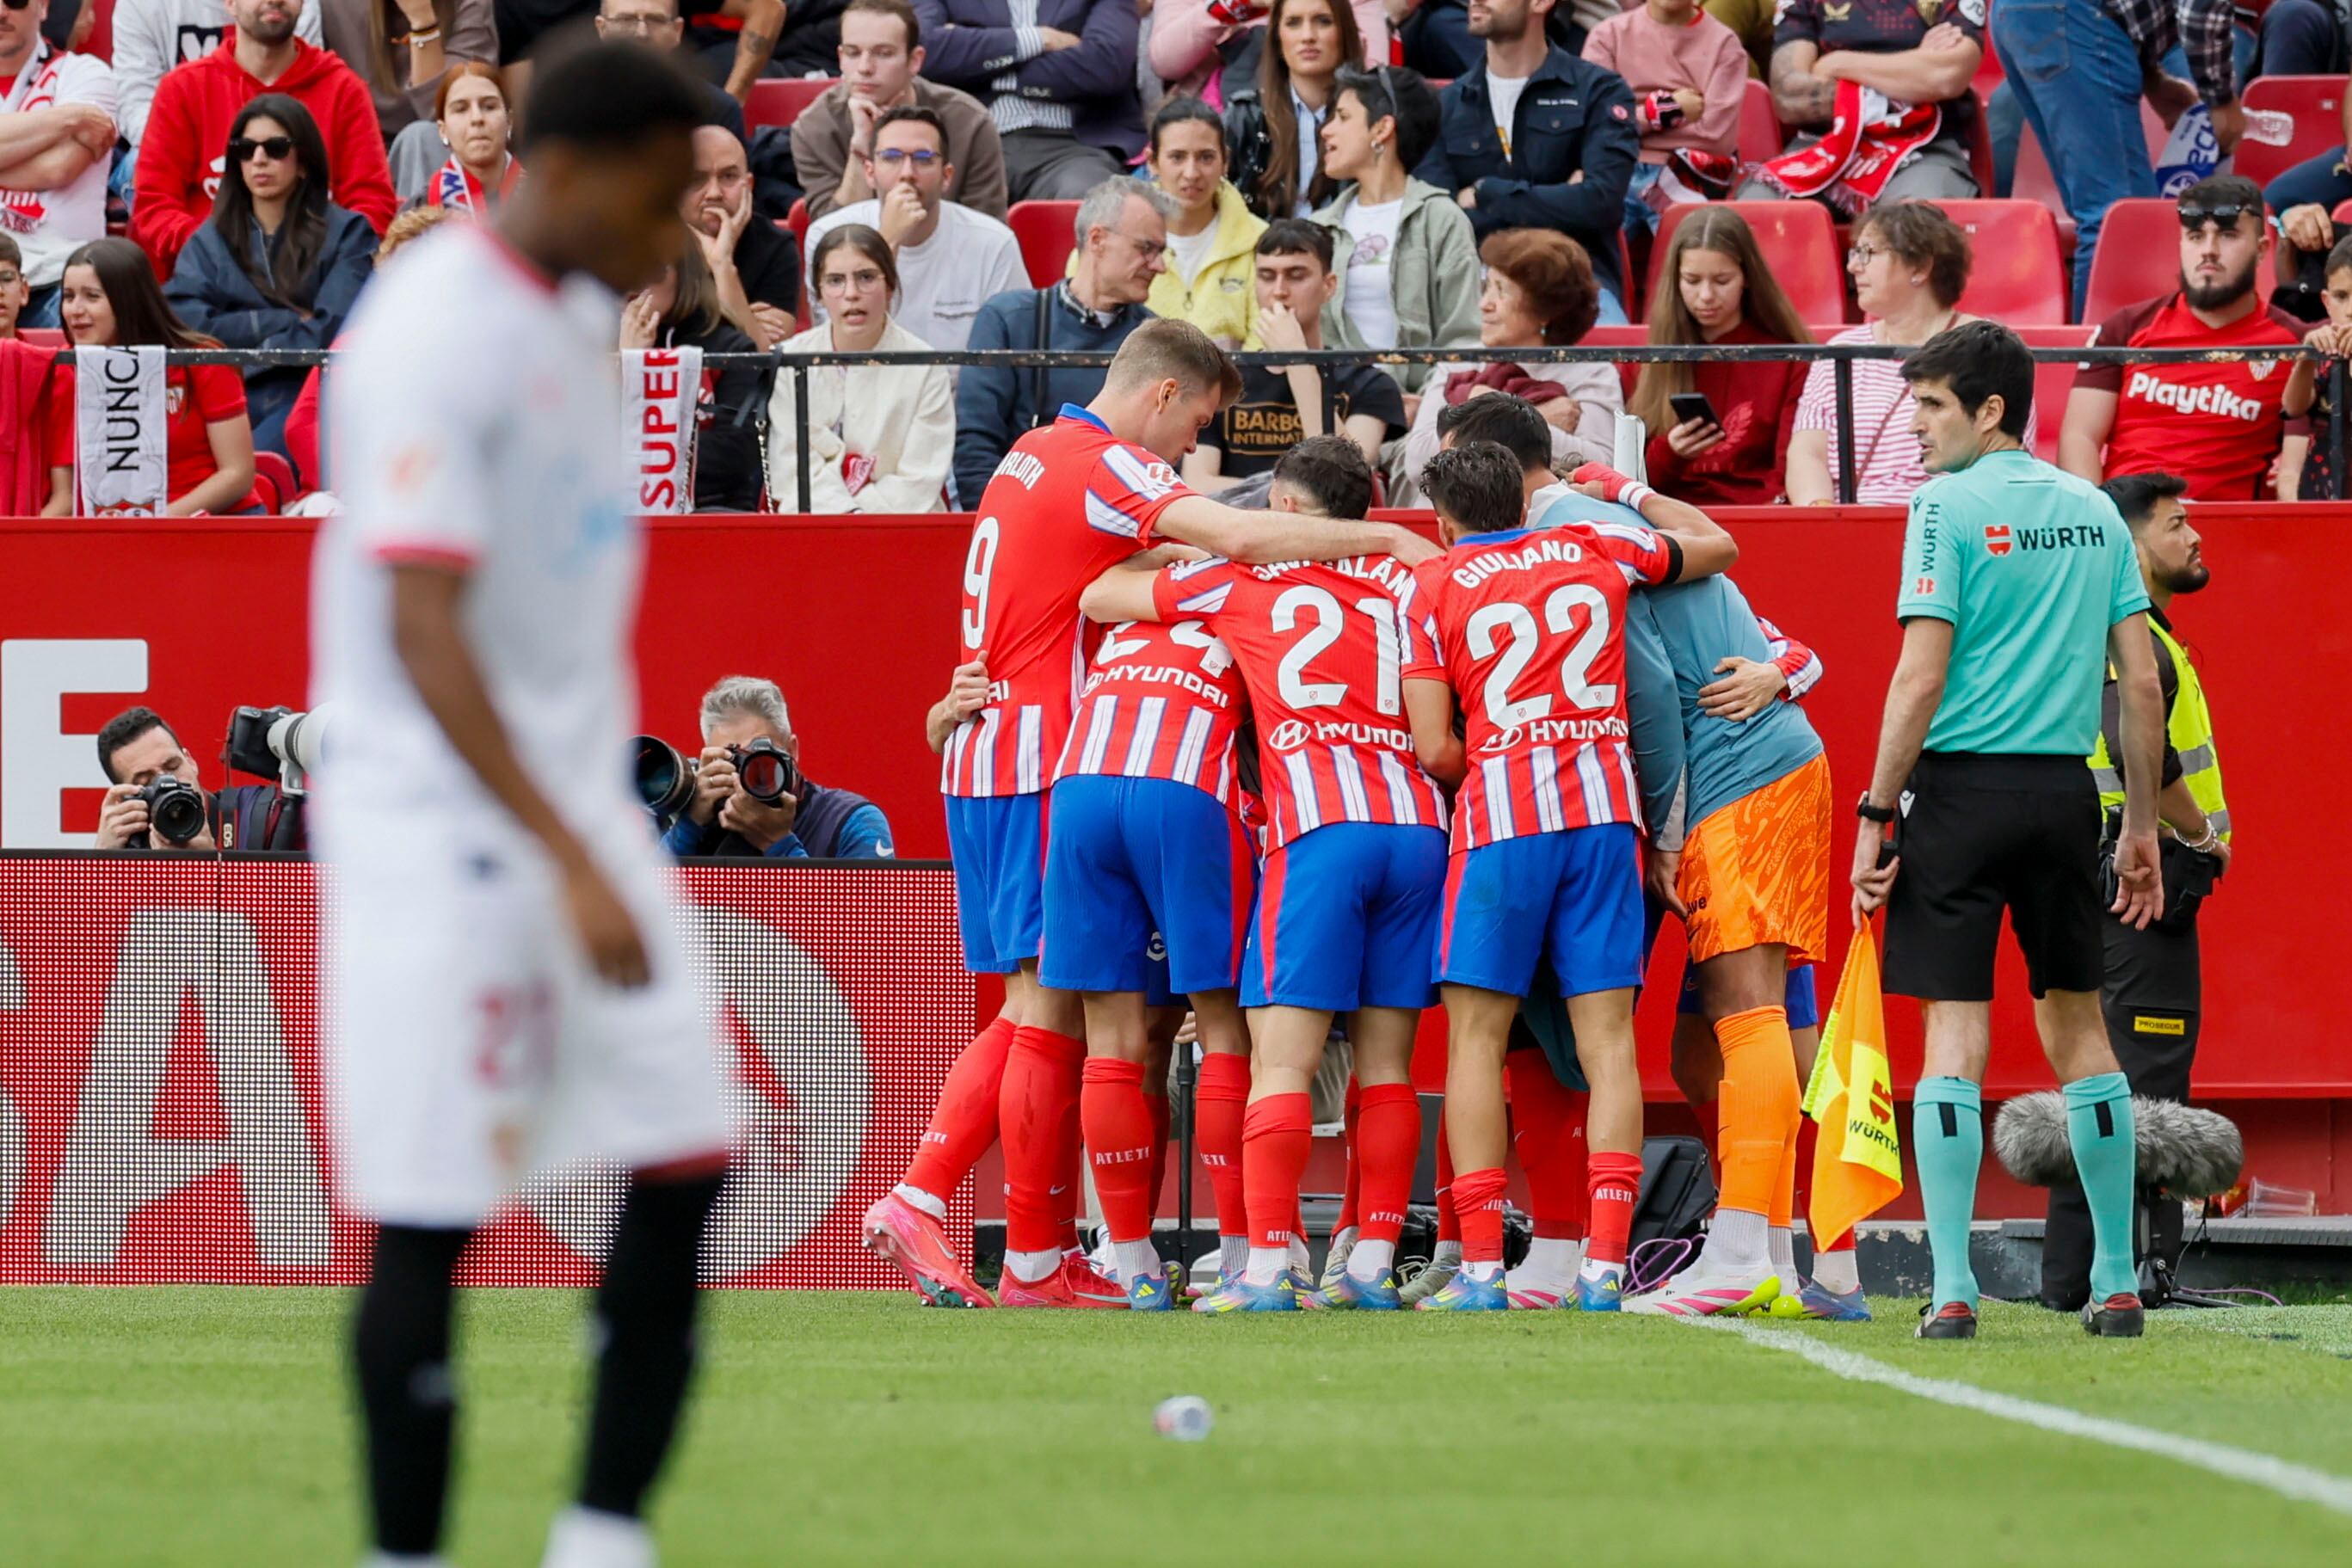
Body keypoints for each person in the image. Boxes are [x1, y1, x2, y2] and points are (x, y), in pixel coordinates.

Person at [317, 40, 729, 1568]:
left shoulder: (574, 316)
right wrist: (568, 850)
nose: (679, 229)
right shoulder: (430, 331)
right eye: (662, 192)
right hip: (438, 824)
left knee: (689, 1149)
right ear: (562, 170)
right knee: (433, 1211)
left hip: (569, 809)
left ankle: (599, 1536)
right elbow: (422, 623)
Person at [862, 318, 1438, 1311]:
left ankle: (1045, 1257)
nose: (1187, 458)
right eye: (1197, 425)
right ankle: (927, 1192)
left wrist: (941, 706)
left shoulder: (1027, 453)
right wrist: (1385, 533)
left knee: (1068, 1014)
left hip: (992, 746)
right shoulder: (1109, 461)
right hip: (1061, 748)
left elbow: (1066, 599)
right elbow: (1243, 535)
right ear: (1162, 397)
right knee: (1050, 1014)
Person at [1072, 434, 1447, 1313]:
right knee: (1387, 1065)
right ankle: (1368, 1266)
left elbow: (1099, 594)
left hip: (1316, 829)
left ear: (1280, 513)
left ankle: (1267, 1268)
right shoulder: (1411, 582)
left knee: (1281, 1063)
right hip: (1418, 827)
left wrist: (1187, 542)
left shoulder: (1245, 578)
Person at [1848, 319, 2166, 1342]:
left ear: (1990, 410)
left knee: (1954, 1034)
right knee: (2083, 1032)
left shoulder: (1941, 506)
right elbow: (2143, 677)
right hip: (2067, 799)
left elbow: (1920, 675)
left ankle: (1950, 1289)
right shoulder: (2092, 507)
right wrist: (2143, 823)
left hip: (1960, 796)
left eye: (1932, 406)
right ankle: (2116, 1282)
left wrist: (1875, 806)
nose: (1916, 427)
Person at [1402, 446, 1737, 1309]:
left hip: (1500, 821)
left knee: (1476, 1038)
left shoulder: (1433, 582)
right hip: (1602, 819)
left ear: (1444, 519)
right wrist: (1625, 488)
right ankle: (1600, 1265)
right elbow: (1712, 544)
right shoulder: (1595, 546)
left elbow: (1435, 744)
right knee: (1609, 1042)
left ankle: (1480, 1264)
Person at [2030, 470, 2230, 1313]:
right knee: (2143, 1083)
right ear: (2130, 545)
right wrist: (2194, 835)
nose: (2195, 537)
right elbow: (2130, 740)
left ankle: (2075, 1276)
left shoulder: (2125, 634)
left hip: (2116, 876)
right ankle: (2138, 1272)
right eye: (2177, 524)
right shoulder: (2133, 639)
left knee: (2113, 1077)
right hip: (2141, 886)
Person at [1616, 569, 1832, 1319]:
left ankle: (1794, 1253)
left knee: (1764, 1024)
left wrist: (1779, 671)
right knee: (1703, 1048)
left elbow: (1798, 652)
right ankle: (1767, 1247)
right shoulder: (1670, 587)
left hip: (1740, 801)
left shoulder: (1663, 582)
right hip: (1735, 802)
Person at [2062, 177, 2307, 503]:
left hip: (2232, 536)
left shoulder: (2297, 345)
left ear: (2262, 250)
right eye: (2195, 236)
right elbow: (2080, 437)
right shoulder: (2125, 328)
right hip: (2127, 527)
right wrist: (2099, 526)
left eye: (2228, 235)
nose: (2208, 249)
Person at [1994, 0, 2240, 320]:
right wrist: (2219, 98)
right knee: (2119, 221)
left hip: (2028, 16)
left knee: (2107, 218)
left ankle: (2099, 358)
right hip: (2072, 18)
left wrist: (2152, 78)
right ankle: (2107, 364)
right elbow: (2199, 10)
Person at [165, 95, 379, 457]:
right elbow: (183, 318)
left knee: (260, 464)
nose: (259, 160)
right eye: (246, 150)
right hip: (227, 398)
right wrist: (273, 321)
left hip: (310, 394)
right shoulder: (210, 238)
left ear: (304, 163)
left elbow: (333, 329)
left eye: (275, 148)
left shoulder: (349, 233)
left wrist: (244, 347)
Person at [1786, 200, 2029, 506]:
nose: (1852, 266)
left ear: (1920, 267)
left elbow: (2003, 457)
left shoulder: (1986, 346)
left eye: (1868, 253)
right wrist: (1824, 518)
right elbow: (1806, 452)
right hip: (1843, 527)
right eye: (1854, 253)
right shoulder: (1839, 351)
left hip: (1949, 522)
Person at [133, 0, 397, 278]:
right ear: (230, 4)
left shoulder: (343, 89)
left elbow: (372, 203)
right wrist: (215, 250)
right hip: (212, 281)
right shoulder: (183, 89)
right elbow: (154, 202)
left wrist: (315, 255)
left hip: (317, 279)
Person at [950, 174, 1166, 507]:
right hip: (1017, 520)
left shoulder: (1156, 341)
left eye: (1161, 252)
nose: (1160, 266)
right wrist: (999, 524)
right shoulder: (1008, 319)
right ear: (1097, 239)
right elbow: (975, 448)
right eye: (1146, 249)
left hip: (1120, 529)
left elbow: (1164, 467)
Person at [1416, 0, 1641, 320]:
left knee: (1610, 356)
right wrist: (1561, 199)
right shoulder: (1443, 106)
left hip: (1576, 287)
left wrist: (1485, 194)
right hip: (1474, 286)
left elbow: (1600, 203)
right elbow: (1441, 220)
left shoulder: (1599, 90)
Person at [1184, 218, 1404, 493]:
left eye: (1296, 275)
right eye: (1266, 276)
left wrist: (1296, 359)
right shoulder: (1222, 380)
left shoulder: (1369, 383)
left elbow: (1345, 479)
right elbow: (1197, 483)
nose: (1279, 291)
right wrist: (1293, 497)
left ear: (1329, 286)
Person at [1400, 227, 1616, 499]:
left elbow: (1602, 465)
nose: (1484, 304)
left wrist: (1483, 423)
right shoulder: (1459, 361)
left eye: (1500, 291)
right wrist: (1530, 420)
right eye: (1486, 286)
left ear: (1546, 310)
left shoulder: (1592, 372)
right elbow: (1417, 461)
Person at [1312, 64, 1478, 396]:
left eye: (1343, 117)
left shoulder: (1442, 218)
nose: (1326, 131)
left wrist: (1426, 404)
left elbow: (1463, 341)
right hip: (1334, 409)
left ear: (1382, 128)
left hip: (1422, 409)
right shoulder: (1318, 229)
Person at [61, 237, 259, 516]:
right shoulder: (59, 367)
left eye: (92, 296)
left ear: (129, 301)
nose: (75, 310)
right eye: (68, 297)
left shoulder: (203, 358)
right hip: (108, 533)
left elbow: (237, 474)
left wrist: (156, 524)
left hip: (209, 522)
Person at [803, 104, 1025, 352]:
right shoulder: (828, 235)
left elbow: (1013, 353)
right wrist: (887, 242)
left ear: (947, 176)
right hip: (864, 385)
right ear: (870, 172)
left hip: (960, 389)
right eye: (891, 158)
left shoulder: (994, 243)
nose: (907, 173)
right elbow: (839, 351)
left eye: (923, 159)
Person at [1629, 206, 1813, 506]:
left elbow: (1789, 471)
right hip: (1671, 524)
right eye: (1691, 280)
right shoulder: (1645, 362)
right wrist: (1669, 453)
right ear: (1675, 281)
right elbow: (1630, 481)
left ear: (1747, 278)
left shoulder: (1789, 361)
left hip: (1759, 518)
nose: (1706, 296)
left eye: (1722, 281)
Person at [768, 223, 953, 512]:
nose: (851, 293)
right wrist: (845, 515)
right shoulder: (790, 360)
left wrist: (860, 515)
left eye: (866, 277)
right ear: (818, 292)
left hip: (903, 529)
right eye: (835, 280)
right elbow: (791, 471)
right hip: (815, 529)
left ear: (889, 285)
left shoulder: (926, 365)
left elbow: (920, 479)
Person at [1746, 0, 1983, 207]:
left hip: (1923, 147)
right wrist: (1914, 67)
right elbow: (1790, 97)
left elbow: (1945, 77)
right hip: (1822, 145)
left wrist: (1837, 64)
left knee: (1911, 225)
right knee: (1754, 210)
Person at [907, 0, 1142, 202]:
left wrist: (983, 66)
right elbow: (920, 51)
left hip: (1073, 147)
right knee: (933, 208)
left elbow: (1107, 64)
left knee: (1091, 206)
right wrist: (1037, 39)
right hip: (972, 142)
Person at [791, 0, 1007, 219]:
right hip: (858, 254)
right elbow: (830, 237)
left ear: (915, 60)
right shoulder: (813, 127)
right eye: (853, 53)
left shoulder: (969, 122)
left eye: (883, 53)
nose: (865, 68)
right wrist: (860, 152)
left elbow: (987, 233)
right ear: (840, 57)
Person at [660, 675, 896, 858]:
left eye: (760, 758)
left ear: (792, 750)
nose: (745, 775)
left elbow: (868, 919)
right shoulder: (691, 822)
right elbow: (638, 909)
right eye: (732, 760)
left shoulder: (849, 821)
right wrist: (689, 827)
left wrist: (778, 842)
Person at [619, 236, 767, 510]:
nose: (633, 281)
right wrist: (630, 363)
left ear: (684, 275)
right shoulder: (593, 343)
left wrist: (647, 461)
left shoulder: (731, 348)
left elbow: (736, 454)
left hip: (710, 509)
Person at [1580, 0, 1746, 237]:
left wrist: (1628, 126)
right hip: (1617, 165)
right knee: (1584, 252)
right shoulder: (1607, 35)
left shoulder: (1724, 44)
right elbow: (1596, 126)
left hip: (1686, 172)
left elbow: (1715, 138)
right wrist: (1666, 111)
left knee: (1698, 252)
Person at [0, 0, 115, 329]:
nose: (1, 12)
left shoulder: (85, 73)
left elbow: (59, 169)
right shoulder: (74, 111)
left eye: (16, 1)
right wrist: (70, 117)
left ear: (43, 7)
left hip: (63, 281)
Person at [90, 704, 312, 852]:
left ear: (191, 760)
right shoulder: (128, 851)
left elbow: (301, 913)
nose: (168, 783)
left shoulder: (265, 817)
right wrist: (101, 863)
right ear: (127, 798)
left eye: (173, 766)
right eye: (146, 782)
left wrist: (209, 865)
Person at [114, 0, 326, 152]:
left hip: (274, 147)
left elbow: (305, 93)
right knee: (139, 161)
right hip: (183, 147)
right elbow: (136, 106)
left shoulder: (292, 4)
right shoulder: (141, 4)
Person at [1142, 98, 1265, 351]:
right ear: (1152, 162)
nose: (1192, 173)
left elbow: (1265, 340)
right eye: (1177, 157)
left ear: (1226, 161)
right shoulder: (1116, 237)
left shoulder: (1261, 240)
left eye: (1205, 158)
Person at [1222, 0, 1363, 221]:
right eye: (1293, 23)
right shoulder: (1244, 116)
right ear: (1278, 38)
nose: (1308, 36)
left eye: (1323, 21)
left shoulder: (1372, 118)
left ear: (1345, 32)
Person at [318, 0, 497, 144]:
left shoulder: (470, 5)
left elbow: (454, 119)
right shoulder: (329, 6)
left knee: (420, 137)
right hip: (359, 143)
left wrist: (422, 21)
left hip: (438, 147)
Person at [687, 124, 796, 342]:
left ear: (749, 185)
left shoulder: (777, 247)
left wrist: (722, 264)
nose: (714, 193)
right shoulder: (650, 242)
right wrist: (742, 316)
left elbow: (764, 360)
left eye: (728, 176)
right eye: (698, 179)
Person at [1153, 0, 1384, 103]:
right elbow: (1165, 61)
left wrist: (1310, 12)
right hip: (1209, 123)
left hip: (1324, 117)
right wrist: (1233, 6)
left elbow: (1374, 69)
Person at [594, 0, 750, 143]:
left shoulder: (718, 110)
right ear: (602, 28)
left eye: (656, 20)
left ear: (678, 30)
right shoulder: (574, 104)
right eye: (626, 20)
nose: (641, 33)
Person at [2278, 233, 2352, 501]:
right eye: (2341, 296)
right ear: (2326, 301)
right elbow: (2293, 407)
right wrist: (2306, 358)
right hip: (2324, 500)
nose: (2350, 309)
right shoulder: (2323, 352)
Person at [421, 59, 521, 210]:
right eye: (461, 109)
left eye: (489, 106)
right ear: (443, 130)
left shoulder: (546, 199)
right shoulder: (419, 210)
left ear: (510, 121)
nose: (477, 118)